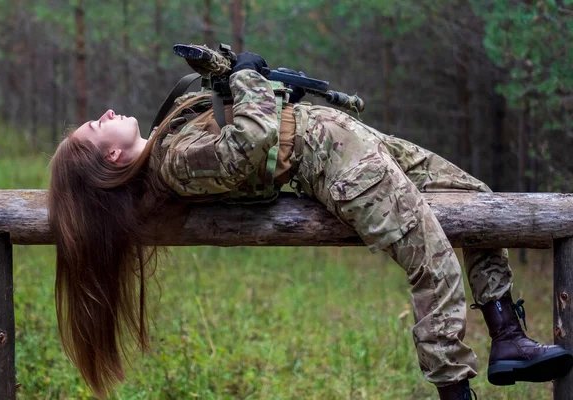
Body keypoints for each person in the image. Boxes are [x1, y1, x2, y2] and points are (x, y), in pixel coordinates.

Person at [48, 51, 573, 399]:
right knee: (432, 266)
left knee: (474, 196)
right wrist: (247, 77)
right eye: (97, 126)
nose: (107, 112)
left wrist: (228, 78)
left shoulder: (168, 139)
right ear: (112, 158)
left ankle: (506, 334)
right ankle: (455, 389)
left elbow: (242, 128)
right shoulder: (172, 164)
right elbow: (249, 145)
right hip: (339, 166)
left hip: (345, 140)